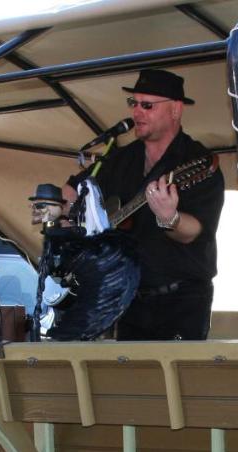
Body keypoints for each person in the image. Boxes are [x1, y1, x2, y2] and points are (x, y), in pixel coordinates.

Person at [66, 69, 225, 340]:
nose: (137, 112)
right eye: (134, 103)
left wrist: (169, 218)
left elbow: (194, 231)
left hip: (182, 300)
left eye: (147, 105)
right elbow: (71, 189)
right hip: (130, 299)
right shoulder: (120, 159)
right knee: (133, 380)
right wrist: (79, 223)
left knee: (179, 380)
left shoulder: (197, 162)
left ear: (175, 110)